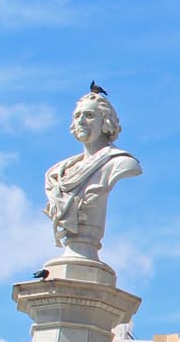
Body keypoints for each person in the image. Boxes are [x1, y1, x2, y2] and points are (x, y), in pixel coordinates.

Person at [43, 90, 141, 260]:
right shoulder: (58, 173)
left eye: (89, 115)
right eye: (77, 116)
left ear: (105, 121)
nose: (81, 121)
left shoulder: (119, 163)